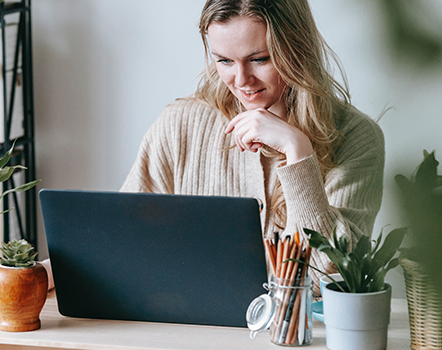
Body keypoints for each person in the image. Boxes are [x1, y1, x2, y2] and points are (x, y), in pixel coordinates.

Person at [120, 0, 385, 295]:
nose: (241, 80)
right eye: (224, 61)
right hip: (188, 330)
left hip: (293, 340)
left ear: (296, 49)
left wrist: (298, 152)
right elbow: (123, 237)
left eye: (259, 59)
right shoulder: (180, 123)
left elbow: (332, 281)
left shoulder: (357, 137)